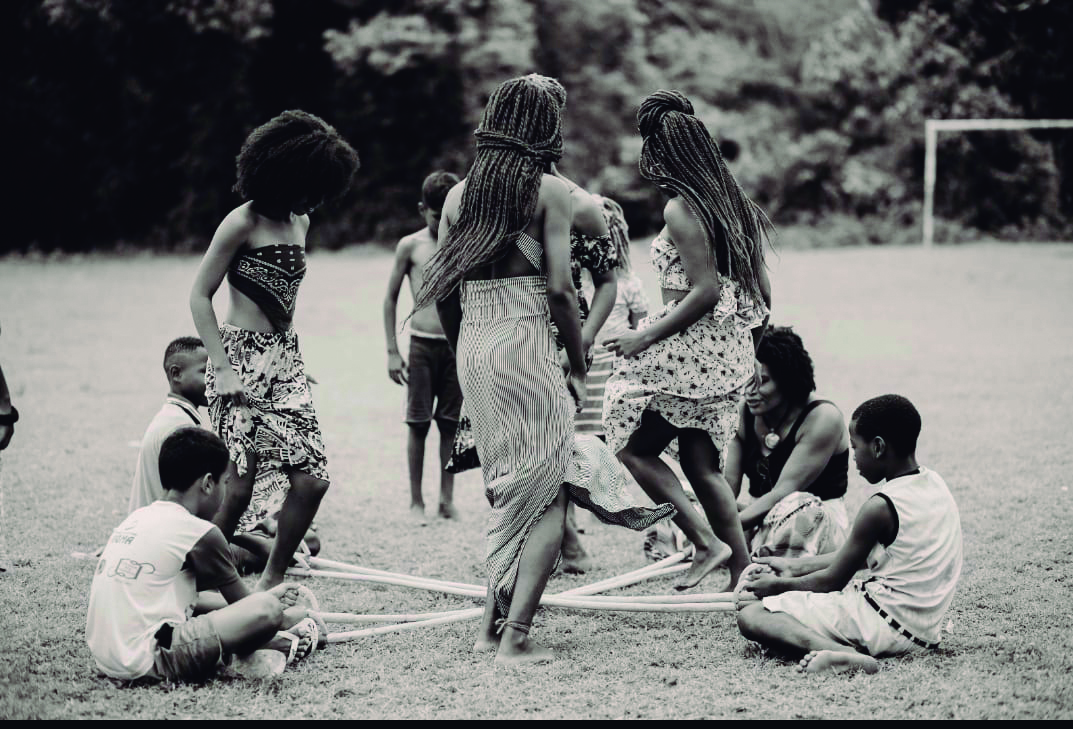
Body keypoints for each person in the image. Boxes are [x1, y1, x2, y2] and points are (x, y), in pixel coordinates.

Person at [414, 74, 673, 665]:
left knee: (513, 495)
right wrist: (577, 364)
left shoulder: (460, 197)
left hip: (476, 347)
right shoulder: (549, 193)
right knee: (549, 495)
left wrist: (465, 352)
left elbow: (446, 291)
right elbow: (559, 288)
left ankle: (488, 629)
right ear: (543, 128)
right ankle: (516, 638)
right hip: (528, 344)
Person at [603, 90, 772, 592]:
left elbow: (706, 291)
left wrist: (643, 338)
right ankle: (744, 572)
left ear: (662, 154)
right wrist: (752, 347)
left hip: (692, 345)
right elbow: (762, 289)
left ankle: (704, 541)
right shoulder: (732, 203)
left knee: (631, 447)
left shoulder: (682, 208)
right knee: (700, 463)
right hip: (728, 349)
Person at [190, 109, 359, 591]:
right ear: (281, 174)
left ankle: (271, 579)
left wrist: (289, 362)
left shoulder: (301, 221)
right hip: (237, 361)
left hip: (284, 360)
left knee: (313, 479)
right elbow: (199, 295)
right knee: (237, 488)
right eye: (308, 187)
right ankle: (201, 581)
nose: (313, 200)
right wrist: (221, 369)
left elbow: (285, 306)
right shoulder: (240, 222)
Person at [736, 394, 963, 675]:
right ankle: (837, 644)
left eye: (856, 447)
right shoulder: (934, 484)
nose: (853, 456)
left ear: (878, 447)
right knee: (774, 603)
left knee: (752, 613)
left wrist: (774, 587)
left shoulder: (880, 507)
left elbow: (831, 581)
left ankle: (842, 653)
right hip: (923, 633)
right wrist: (792, 566)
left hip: (883, 623)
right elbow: (858, 557)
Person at [86, 427, 322, 684]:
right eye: (225, 483)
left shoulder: (139, 518)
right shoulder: (200, 532)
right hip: (149, 659)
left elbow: (195, 600)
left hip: (108, 657)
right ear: (208, 483)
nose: (225, 494)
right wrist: (286, 617)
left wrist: (261, 597)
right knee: (268, 610)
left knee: (253, 604)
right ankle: (269, 648)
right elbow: (250, 609)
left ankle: (252, 649)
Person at [724, 326, 850, 559]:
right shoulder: (741, 414)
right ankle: (739, 549)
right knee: (688, 496)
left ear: (788, 380)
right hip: (757, 518)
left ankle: (758, 556)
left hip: (811, 522)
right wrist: (710, 517)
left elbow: (784, 492)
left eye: (761, 381)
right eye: (744, 377)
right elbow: (725, 487)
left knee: (800, 507)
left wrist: (722, 527)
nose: (749, 391)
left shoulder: (823, 418)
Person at [383, 170, 464, 525]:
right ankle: (416, 501)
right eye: (436, 215)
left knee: (450, 424)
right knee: (418, 424)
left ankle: (447, 500)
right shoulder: (411, 246)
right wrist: (391, 350)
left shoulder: (464, 244)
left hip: (456, 348)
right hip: (421, 347)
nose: (444, 221)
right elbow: (389, 299)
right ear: (422, 210)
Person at [128, 337, 209, 513]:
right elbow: (193, 503)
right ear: (176, 374)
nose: (214, 380)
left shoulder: (172, 416)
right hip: (157, 531)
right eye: (205, 371)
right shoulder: (180, 428)